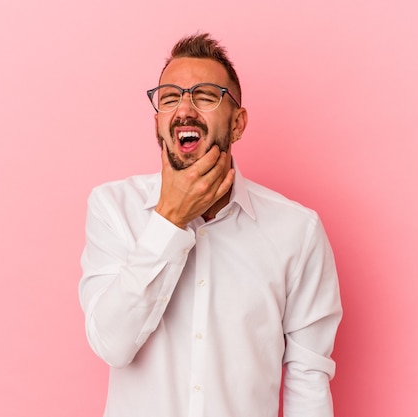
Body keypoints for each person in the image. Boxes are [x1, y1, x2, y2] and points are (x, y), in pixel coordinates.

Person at [79, 33, 342, 417]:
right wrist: (170, 219)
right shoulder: (112, 208)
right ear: (158, 124)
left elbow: (308, 379)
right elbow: (112, 344)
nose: (184, 109)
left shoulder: (297, 231)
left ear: (238, 123)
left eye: (204, 96)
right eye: (170, 98)